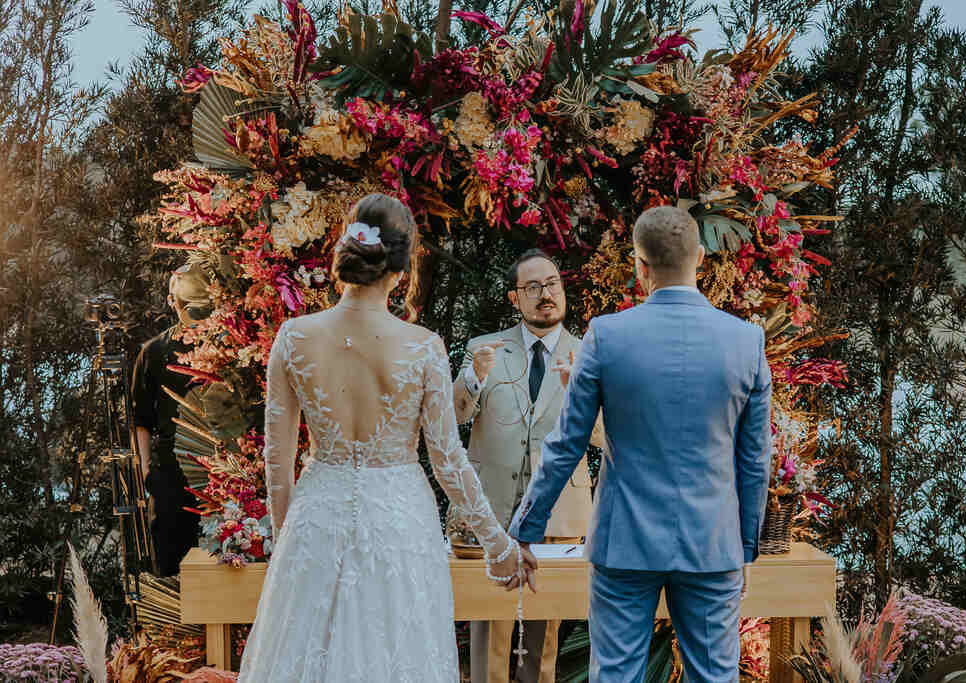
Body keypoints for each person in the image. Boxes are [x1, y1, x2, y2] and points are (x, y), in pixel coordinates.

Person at [237, 194, 537, 682]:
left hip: (317, 516)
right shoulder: (423, 347)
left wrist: (289, 541)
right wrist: (497, 543)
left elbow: (278, 457)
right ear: (402, 264)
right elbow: (448, 462)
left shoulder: (293, 337)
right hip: (400, 523)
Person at [508, 205, 773, 682]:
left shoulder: (606, 336)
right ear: (700, 259)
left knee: (615, 676)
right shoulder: (746, 341)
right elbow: (754, 460)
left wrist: (525, 528)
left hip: (624, 541)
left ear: (640, 265)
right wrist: (745, 545)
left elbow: (566, 443)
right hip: (712, 543)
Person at [454, 249, 605, 683]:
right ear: (513, 297)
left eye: (553, 283)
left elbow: (604, 437)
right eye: (533, 287)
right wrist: (473, 378)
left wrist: (580, 393)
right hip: (494, 509)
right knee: (491, 631)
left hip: (560, 512)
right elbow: (456, 415)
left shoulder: (589, 354)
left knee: (545, 640)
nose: (545, 294)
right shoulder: (483, 348)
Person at [132, 263, 211, 576]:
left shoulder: (226, 345)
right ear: (171, 302)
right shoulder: (152, 353)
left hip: (224, 472)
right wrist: (147, 473)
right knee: (172, 561)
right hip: (170, 473)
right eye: (183, 306)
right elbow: (141, 421)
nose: (191, 315)